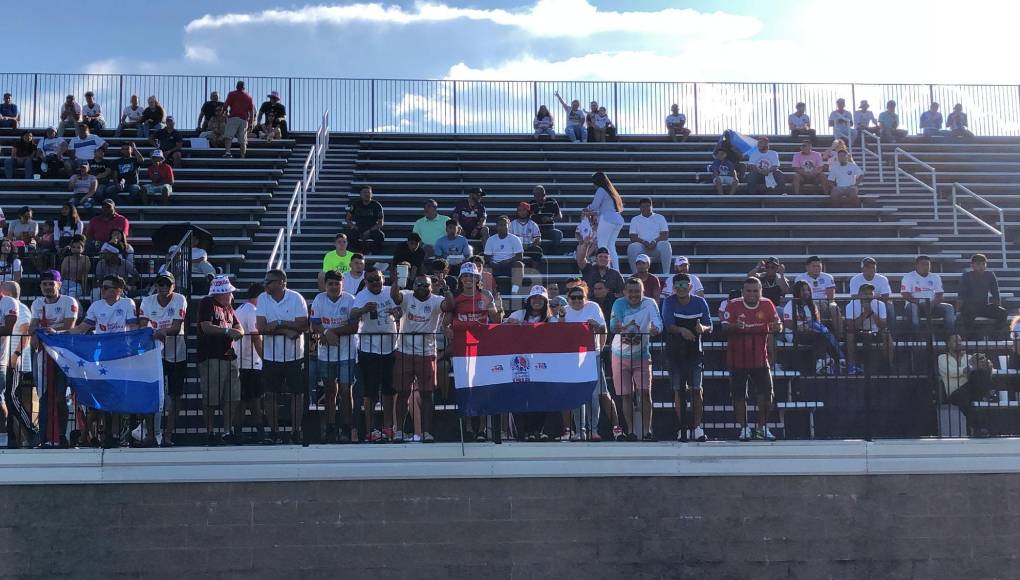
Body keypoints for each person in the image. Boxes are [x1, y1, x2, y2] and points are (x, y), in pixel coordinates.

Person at [69, 275, 138, 447]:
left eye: (107, 287)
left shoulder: (127, 303)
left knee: (118, 396)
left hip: (121, 356)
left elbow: (133, 327)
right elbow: (82, 328)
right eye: (102, 287)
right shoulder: (96, 305)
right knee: (102, 396)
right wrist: (58, 334)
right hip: (101, 358)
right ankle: (93, 435)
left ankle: (115, 434)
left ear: (118, 290)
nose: (103, 290)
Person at [392, 271, 452, 443]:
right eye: (419, 285)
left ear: (431, 287)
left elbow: (450, 305)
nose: (423, 288)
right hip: (404, 350)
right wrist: (395, 282)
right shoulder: (407, 296)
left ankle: (426, 432)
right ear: (413, 286)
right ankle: (399, 431)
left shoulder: (436, 300)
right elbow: (396, 297)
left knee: (427, 393)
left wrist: (446, 288)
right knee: (402, 392)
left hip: (427, 352)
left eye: (426, 285)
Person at [723, 277, 782, 441]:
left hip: (760, 358)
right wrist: (735, 326)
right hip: (737, 359)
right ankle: (744, 429)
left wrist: (778, 327)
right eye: (748, 291)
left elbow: (777, 324)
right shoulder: (733, 304)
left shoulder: (767, 304)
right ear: (743, 292)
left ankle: (761, 428)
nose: (752, 294)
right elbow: (724, 327)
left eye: (755, 291)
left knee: (767, 394)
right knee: (739, 396)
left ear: (760, 291)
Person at [256, 269, 309, 445]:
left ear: (280, 282)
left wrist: (279, 323)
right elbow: (262, 327)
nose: (265, 285)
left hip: (295, 356)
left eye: (269, 281)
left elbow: (303, 324)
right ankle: (274, 431)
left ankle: (296, 430)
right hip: (271, 356)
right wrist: (287, 330)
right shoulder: (263, 298)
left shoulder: (296, 298)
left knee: (297, 394)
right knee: (270, 395)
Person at [451, 262, 502, 441]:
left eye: (472, 276)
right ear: (460, 280)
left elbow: (496, 320)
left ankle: (480, 429)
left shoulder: (485, 296)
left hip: (482, 350)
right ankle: (467, 428)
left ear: (477, 279)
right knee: (466, 389)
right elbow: (446, 325)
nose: (468, 280)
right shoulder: (455, 299)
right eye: (465, 276)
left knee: (481, 388)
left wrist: (495, 304)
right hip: (462, 351)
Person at [28, 270, 79, 447]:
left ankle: (61, 434)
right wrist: (37, 336)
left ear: (59, 285)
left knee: (58, 396)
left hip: (62, 354)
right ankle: (44, 436)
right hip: (43, 353)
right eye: (45, 284)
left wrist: (48, 331)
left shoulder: (68, 301)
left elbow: (68, 327)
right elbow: (32, 328)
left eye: (51, 283)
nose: (48, 287)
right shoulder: (37, 303)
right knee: (43, 395)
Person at [505, 286, 562, 440]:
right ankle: (526, 432)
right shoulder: (519, 314)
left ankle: (539, 430)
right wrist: (510, 322)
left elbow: (560, 334)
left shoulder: (551, 319)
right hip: (521, 365)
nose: (537, 301)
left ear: (545, 302)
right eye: (534, 298)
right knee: (523, 398)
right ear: (528, 300)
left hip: (543, 365)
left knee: (542, 398)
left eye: (541, 299)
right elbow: (502, 326)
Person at [661, 272, 712, 442]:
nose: (681, 288)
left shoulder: (700, 302)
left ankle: (697, 427)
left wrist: (701, 329)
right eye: (678, 286)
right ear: (674, 288)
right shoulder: (668, 302)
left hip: (695, 353)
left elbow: (709, 325)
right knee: (678, 390)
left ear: (690, 287)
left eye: (685, 285)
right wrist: (682, 330)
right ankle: (682, 427)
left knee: (697, 390)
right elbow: (668, 325)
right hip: (674, 352)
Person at [138, 271, 187, 447]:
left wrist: (162, 331)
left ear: (173, 286)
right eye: (161, 284)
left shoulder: (180, 299)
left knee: (175, 395)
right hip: (153, 353)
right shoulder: (147, 301)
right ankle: (150, 435)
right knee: (151, 392)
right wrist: (156, 333)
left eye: (168, 284)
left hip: (177, 352)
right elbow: (143, 325)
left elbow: (176, 326)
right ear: (156, 286)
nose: (164, 287)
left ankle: (168, 435)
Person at [350, 268, 400, 443]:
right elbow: (352, 313)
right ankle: (370, 429)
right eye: (371, 281)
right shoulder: (362, 295)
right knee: (370, 391)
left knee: (389, 390)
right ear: (366, 282)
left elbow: (399, 309)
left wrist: (396, 313)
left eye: (378, 279)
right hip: (368, 349)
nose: (375, 283)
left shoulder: (388, 292)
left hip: (390, 347)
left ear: (382, 279)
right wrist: (363, 309)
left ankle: (388, 428)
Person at [610, 278, 661, 441]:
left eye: (637, 291)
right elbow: (612, 325)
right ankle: (631, 431)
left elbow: (658, 323)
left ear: (643, 292)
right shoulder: (618, 303)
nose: (634, 295)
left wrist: (656, 329)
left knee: (645, 393)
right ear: (625, 292)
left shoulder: (650, 303)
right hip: (619, 355)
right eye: (630, 291)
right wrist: (617, 326)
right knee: (626, 395)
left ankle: (647, 432)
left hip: (642, 355)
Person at [310, 271, 359, 443]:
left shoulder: (350, 300)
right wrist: (324, 332)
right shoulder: (319, 299)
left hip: (347, 353)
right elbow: (314, 323)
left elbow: (354, 327)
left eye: (336, 284)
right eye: (330, 283)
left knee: (346, 391)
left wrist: (330, 333)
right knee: (330, 391)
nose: (333, 287)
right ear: (325, 284)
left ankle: (347, 427)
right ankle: (330, 427)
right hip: (326, 354)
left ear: (342, 284)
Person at [196, 275, 244, 445]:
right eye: (229, 292)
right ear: (222, 292)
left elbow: (239, 327)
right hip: (211, 356)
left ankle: (226, 430)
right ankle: (210, 431)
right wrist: (226, 332)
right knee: (211, 396)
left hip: (229, 356)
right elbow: (205, 326)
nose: (232, 295)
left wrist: (237, 331)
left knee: (233, 396)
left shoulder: (229, 308)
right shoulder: (208, 303)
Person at [937, 334, 995, 437]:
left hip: (971, 388)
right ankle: (978, 427)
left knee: (979, 372)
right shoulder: (942, 358)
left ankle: (979, 427)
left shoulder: (969, 357)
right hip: (954, 392)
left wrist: (986, 363)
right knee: (964, 396)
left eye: (960, 341)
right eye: (955, 341)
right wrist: (969, 368)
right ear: (948, 344)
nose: (959, 343)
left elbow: (980, 366)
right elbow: (950, 372)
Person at [784, 280, 845, 376]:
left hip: (811, 333)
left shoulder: (812, 306)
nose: (806, 292)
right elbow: (787, 324)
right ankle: (824, 361)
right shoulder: (791, 305)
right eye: (803, 290)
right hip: (794, 334)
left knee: (825, 334)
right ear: (797, 292)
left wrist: (811, 327)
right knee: (820, 335)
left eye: (808, 290)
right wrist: (803, 326)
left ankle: (830, 362)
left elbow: (817, 323)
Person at [234, 283, 267, 444]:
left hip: (240, 360)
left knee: (243, 399)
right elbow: (256, 337)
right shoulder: (253, 311)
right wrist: (265, 359)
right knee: (255, 399)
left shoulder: (240, 309)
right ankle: (260, 432)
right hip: (251, 362)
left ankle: (238, 432)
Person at [901, 255, 956, 336]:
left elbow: (940, 294)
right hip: (915, 305)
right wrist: (920, 302)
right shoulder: (908, 276)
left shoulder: (935, 277)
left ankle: (949, 337)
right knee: (913, 308)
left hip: (932, 305)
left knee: (949, 308)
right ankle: (916, 338)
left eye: (928, 264)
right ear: (916, 265)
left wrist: (932, 304)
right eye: (923, 264)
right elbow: (905, 294)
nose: (926, 267)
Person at [845, 283, 893, 372]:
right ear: (859, 295)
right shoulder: (851, 305)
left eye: (870, 293)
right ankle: (851, 366)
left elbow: (883, 325)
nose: (868, 296)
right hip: (858, 332)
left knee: (887, 334)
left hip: (876, 331)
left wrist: (871, 312)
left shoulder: (880, 304)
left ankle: (888, 365)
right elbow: (851, 326)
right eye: (865, 294)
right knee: (849, 334)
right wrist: (865, 314)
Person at [958, 253, 1007, 335]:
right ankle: (971, 335)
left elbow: (995, 293)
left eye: (983, 264)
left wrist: (997, 305)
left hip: (984, 306)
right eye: (978, 264)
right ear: (972, 265)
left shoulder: (990, 275)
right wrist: (959, 308)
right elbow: (961, 294)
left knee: (1003, 312)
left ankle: (995, 333)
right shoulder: (966, 276)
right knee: (968, 312)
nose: (981, 266)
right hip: (970, 307)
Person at [794, 256, 842, 337]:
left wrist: (827, 304)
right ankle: (818, 334)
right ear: (807, 267)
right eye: (814, 266)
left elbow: (831, 298)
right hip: (808, 304)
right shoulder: (800, 278)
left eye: (819, 266)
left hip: (825, 303)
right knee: (814, 306)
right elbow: (799, 295)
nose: (817, 268)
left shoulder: (828, 277)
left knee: (834, 307)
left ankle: (840, 335)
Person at [586, 171, 625, 270]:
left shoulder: (601, 190)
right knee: (611, 246)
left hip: (607, 219)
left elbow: (594, 206)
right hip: (617, 219)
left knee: (602, 245)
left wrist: (586, 209)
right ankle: (616, 270)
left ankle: (605, 270)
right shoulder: (611, 191)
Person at [626, 198, 671, 276]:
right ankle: (635, 274)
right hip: (642, 247)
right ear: (640, 208)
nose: (645, 208)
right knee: (632, 247)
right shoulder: (635, 219)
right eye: (643, 206)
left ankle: (666, 274)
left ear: (651, 206)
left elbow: (665, 234)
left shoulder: (660, 217)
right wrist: (643, 242)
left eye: (647, 206)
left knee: (665, 245)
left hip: (656, 246)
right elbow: (632, 236)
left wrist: (654, 241)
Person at [483, 216, 525, 295]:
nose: (502, 227)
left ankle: (515, 291)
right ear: (497, 226)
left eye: (504, 225)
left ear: (508, 225)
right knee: (486, 267)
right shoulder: (491, 239)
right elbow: (487, 257)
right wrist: (492, 262)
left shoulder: (515, 239)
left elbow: (520, 256)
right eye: (500, 225)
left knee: (519, 265)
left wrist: (507, 261)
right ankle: (488, 293)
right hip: (495, 265)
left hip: (509, 265)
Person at [850, 257, 895, 328]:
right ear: (862, 269)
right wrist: (867, 301)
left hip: (879, 302)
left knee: (889, 305)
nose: (871, 269)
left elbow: (886, 296)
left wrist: (872, 301)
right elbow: (854, 296)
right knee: (852, 306)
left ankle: (889, 331)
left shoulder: (883, 279)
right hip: (861, 303)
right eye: (868, 267)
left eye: (873, 267)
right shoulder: (855, 279)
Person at [346, 186, 385, 255]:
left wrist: (369, 231)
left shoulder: (377, 205)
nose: (367, 194)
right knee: (349, 235)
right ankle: (357, 252)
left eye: (369, 192)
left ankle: (374, 253)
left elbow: (380, 223)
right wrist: (353, 226)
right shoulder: (355, 205)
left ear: (372, 194)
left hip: (372, 228)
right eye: (364, 192)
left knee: (380, 236)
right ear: (360, 194)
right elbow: (347, 219)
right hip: (359, 227)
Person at [509, 202, 544, 272]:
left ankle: (534, 272)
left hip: (528, 247)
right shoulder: (512, 224)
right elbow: (508, 239)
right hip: (515, 249)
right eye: (520, 210)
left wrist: (531, 244)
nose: (522, 212)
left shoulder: (533, 224)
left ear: (528, 212)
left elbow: (538, 238)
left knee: (538, 250)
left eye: (524, 210)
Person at [224, 81, 255, 158]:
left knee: (228, 136)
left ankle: (228, 152)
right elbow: (251, 111)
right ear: (244, 87)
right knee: (243, 139)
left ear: (236, 86)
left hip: (234, 118)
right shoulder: (249, 97)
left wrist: (224, 113)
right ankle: (242, 156)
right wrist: (251, 123)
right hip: (244, 120)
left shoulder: (231, 94)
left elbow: (226, 105)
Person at [528, 185, 563, 251]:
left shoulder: (552, 202)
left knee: (558, 234)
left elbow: (560, 216)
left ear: (544, 194)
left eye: (538, 194)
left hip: (548, 229)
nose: (536, 196)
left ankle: (553, 251)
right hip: (535, 230)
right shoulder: (531, 204)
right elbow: (525, 218)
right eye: (535, 194)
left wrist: (550, 219)